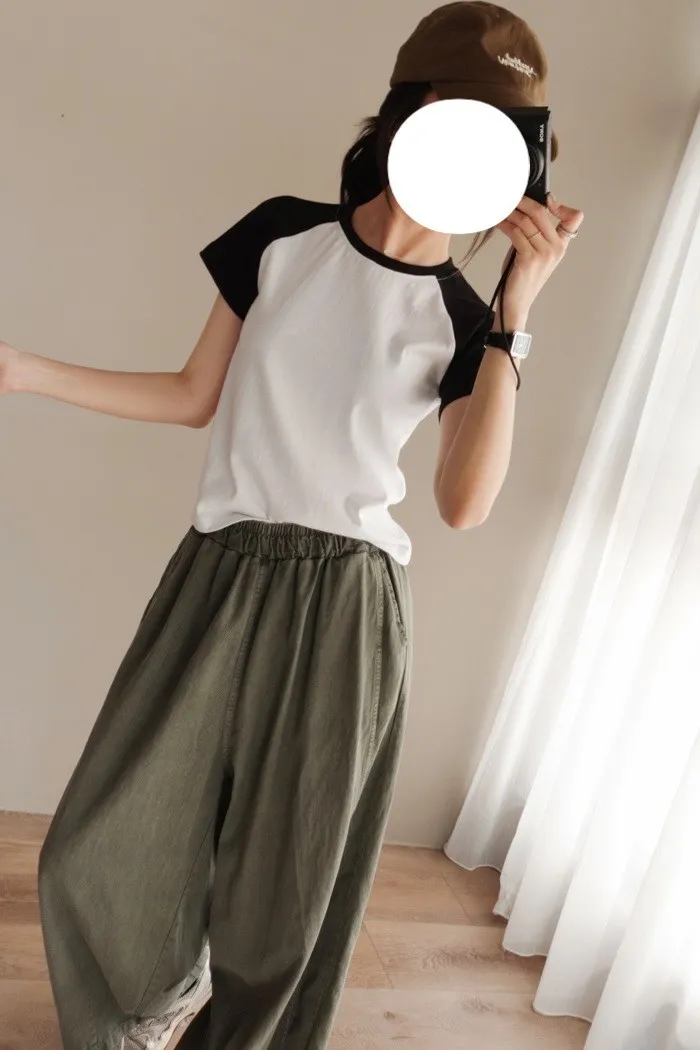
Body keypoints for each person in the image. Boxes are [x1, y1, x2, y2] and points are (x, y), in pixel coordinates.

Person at [0, 3, 583, 1049]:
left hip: (346, 600)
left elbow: (465, 503)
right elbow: (193, 396)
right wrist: (26, 371)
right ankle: (152, 1002)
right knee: (99, 840)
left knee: (287, 882)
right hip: (219, 570)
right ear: (407, 115)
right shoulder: (281, 235)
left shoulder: (462, 319)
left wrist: (514, 315)